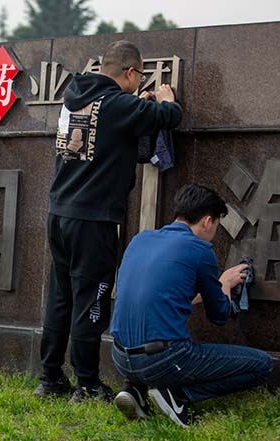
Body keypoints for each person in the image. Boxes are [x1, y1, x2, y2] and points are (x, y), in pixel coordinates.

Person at [35, 40, 183, 403]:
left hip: (60, 213)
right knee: (92, 300)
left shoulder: (75, 98)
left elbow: (109, 128)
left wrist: (138, 105)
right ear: (130, 73)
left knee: (61, 298)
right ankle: (86, 385)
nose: (140, 82)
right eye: (140, 76)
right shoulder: (117, 104)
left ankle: (50, 378)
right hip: (92, 219)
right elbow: (169, 116)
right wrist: (166, 99)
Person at [110, 184, 272, 427]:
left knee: (149, 342)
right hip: (163, 359)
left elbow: (167, 297)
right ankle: (176, 395)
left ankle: (135, 389)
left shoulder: (141, 239)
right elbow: (219, 314)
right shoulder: (200, 249)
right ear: (208, 221)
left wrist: (212, 288)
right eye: (216, 226)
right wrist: (225, 284)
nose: (214, 233)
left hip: (120, 357)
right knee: (262, 365)